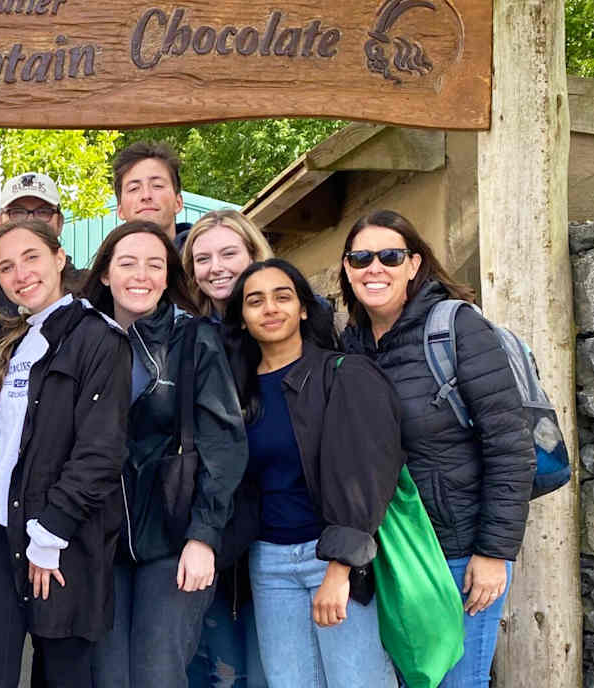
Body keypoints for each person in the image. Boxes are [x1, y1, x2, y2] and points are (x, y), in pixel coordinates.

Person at [337, 211, 534, 688]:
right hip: (392, 554)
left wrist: (493, 553)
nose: (374, 268)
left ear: (414, 264)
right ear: (346, 268)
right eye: (361, 258)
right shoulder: (351, 345)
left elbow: (510, 446)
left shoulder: (456, 328)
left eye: (390, 256)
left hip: (458, 552)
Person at [0, 220, 132, 688]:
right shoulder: (11, 341)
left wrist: (51, 533)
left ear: (59, 257)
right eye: (6, 267)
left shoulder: (99, 338)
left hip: (59, 536)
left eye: (31, 257)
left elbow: (100, 452)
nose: (21, 274)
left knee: (62, 673)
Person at [77, 221, 246, 688]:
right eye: (127, 263)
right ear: (106, 273)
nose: (141, 275)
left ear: (168, 276)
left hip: (174, 536)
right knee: (109, 678)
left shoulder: (193, 339)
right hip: (101, 541)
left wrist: (204, 535)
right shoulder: (80, 338)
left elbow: (223, 443)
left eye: (154, 265)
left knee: (158, 674)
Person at [223, 258, 403, 688]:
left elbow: (369, 475)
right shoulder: (235, 391)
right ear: (242, 319)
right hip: (268, 562)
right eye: (255, 301)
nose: (270, 308)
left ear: (304, 308)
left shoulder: (344, 374)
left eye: (282, 297)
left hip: (332, 557)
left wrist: (341, 567)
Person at [179, 210, 274, 688]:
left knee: (268, 671)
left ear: (254, 254)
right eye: (203, 258)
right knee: (218, 669)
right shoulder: (189, 337)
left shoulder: (293, 327)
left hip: (281, 531)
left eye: (229, 253)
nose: (216, 267)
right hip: (212, 528)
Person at [0, 171, 88, 317]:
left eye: (43, 212)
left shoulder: (94, 288)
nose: (30, 222)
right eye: (17, 213)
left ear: (60, 223)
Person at [112, 141, 190, 248]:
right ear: (120, 210)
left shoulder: (203, 254)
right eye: (134, 188)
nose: (146, 195)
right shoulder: (107, 258)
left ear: (178, 203)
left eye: (157, 185)